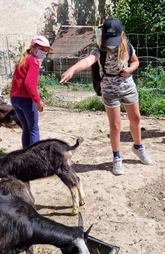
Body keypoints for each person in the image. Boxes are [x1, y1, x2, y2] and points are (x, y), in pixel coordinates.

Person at [60, 17, 152, 175]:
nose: (111, 43)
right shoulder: (100, 50)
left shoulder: (128, 47)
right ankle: (117, 157)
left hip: (128, 87)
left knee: (136, 119)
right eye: (108, 39)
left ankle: (138, 147)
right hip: (109, 91)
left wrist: (129, 70)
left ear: (121, 35)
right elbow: (88, 61)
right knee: (115, 125)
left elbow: (135, 61)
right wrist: (73, 69)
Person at [10, 35, 53, 148]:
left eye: (46, 51)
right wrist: (37, 100)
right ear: (33, 47)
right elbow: (29, 83)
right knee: (33, 128)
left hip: (15, 99)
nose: (44, 53)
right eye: (42, 49)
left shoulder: (23, 59)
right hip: (26, 100)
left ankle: (26, 156)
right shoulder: (34, 61)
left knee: (26, 128)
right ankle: (35, 157)